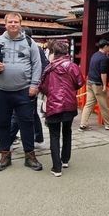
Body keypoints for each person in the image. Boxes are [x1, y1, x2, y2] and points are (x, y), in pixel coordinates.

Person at [0, 12, 43, 172]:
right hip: (0, 91)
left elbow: (37, 65)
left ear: (20, 24)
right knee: (2, 123)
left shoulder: (30, 43)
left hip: (23, 90)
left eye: (16, 22)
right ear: (5, 24)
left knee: (27, 123)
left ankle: (30, 155)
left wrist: (34, 85)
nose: (13, 24)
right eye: (10, 22)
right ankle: (5, 155)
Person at [0, 27, 48, 153]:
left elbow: (40, 66)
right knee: (32, 114)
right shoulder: (0, 42)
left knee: (18, 116)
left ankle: (9, 142)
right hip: (11, 87)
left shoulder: (32, 47)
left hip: (26, 87)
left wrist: (35, 84)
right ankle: (38, 138)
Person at [40, 40, 84, 177]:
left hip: (53, 104)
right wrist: (70, 90)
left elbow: (42, 86)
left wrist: (51, 93)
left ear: (53, 53)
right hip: (69, 104)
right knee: (67, 131)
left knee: (54, 135)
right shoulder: (72, 66)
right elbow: (80, 82)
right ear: (66, 52)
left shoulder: (49, 68)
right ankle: (65, 159)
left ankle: (57, 167)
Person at [79, 38, 109, 130]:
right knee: (104, 105)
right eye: (108, 47)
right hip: (98, 84)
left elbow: (95, 69)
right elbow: (103, 73)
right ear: (105, 47)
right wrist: (104, 85)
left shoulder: (94, 55)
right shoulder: (104, 58)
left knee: (89, 104)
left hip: (90, 82)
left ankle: (83, 124)